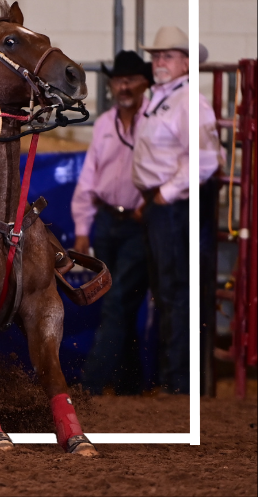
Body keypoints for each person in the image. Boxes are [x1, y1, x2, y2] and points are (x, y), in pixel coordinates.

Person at [132, 25, 220, 395]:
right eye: (156, 56)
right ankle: (173, 377)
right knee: (167, 289)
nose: (158, 62)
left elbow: (207, 158)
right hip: (162, 203)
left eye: (167, 56)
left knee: (175, 289)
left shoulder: (189, 101)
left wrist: (166, 193)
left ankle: (179, 380)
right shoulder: (160, 97)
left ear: (186, 63)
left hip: (176, 205)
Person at [73, 50, 153, 395]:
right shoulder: (105, 124)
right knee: (122, 301)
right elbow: (88, 179)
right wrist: (81, 228)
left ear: (144, 84)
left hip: (140, 223)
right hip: (106, 221)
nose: (123, 86)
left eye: (131, 79)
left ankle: (90, 384)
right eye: (118, 80)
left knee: (119, 300)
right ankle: (130, 383)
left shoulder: (154, 121)